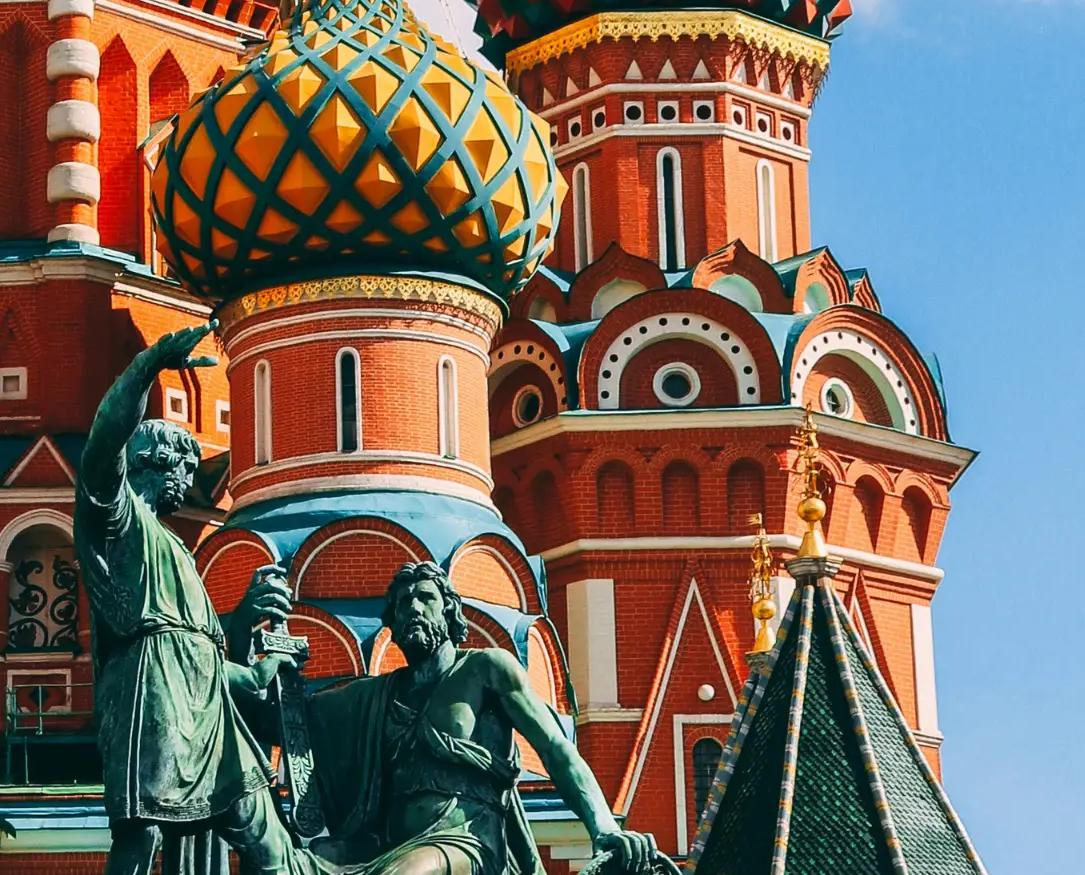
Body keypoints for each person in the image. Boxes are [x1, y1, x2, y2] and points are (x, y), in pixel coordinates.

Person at [77, 325, 304, 875]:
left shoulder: (176, 548)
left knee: (261, 830)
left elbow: (197, 645)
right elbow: (104, 444)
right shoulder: (120, 519)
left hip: (204, 702)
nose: (189, 478)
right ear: (155, 462)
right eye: (184, 464)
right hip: (152, 695)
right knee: (144, 832)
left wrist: (246, 616)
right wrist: (149, 364)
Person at [299, 562, 658, 875]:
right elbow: (291, 717)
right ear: (392, 620)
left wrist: (603, 826)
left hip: (466, 840)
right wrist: (248, 634)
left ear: (450, 611)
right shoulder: (375, 695)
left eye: (426, 598)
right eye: (403, 602)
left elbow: (554, 747)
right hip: (389, 842)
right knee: (300, 863)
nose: (413, 607)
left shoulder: (485, 668)